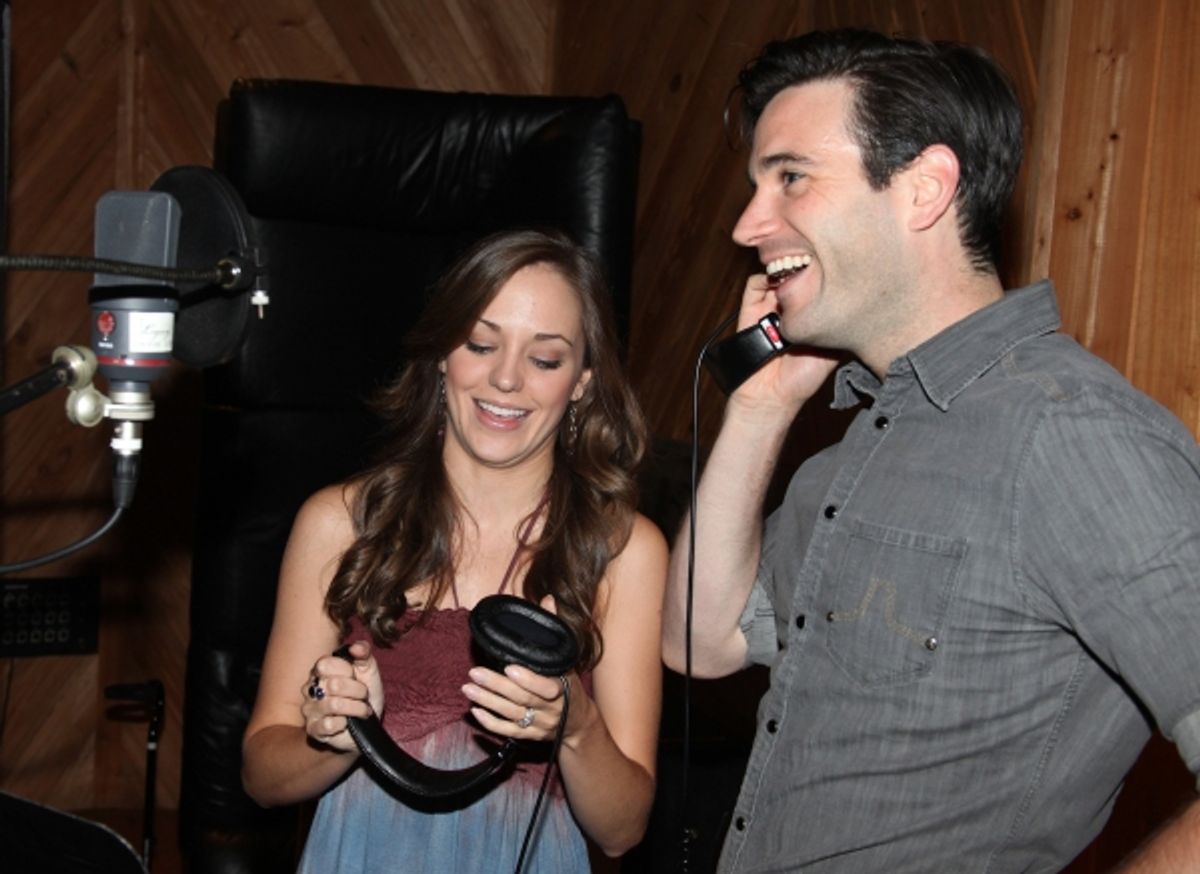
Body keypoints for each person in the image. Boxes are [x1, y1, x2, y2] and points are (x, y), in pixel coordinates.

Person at [661, 27, 1200, 873]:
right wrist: (760, 410)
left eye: (791, 178)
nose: (746, 226)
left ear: (924, 189)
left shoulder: (1075, 436)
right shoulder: (856, 446)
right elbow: (701, 639)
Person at [243, 227, 667, 873]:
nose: (505, 378)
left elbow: (622, 830)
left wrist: (576, 726)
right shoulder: (340, 523)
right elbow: (263, 778)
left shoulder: (625, 549)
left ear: (581, 381)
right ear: (443, 354)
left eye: (545, 359)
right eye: (481, 343)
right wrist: (339, 734)